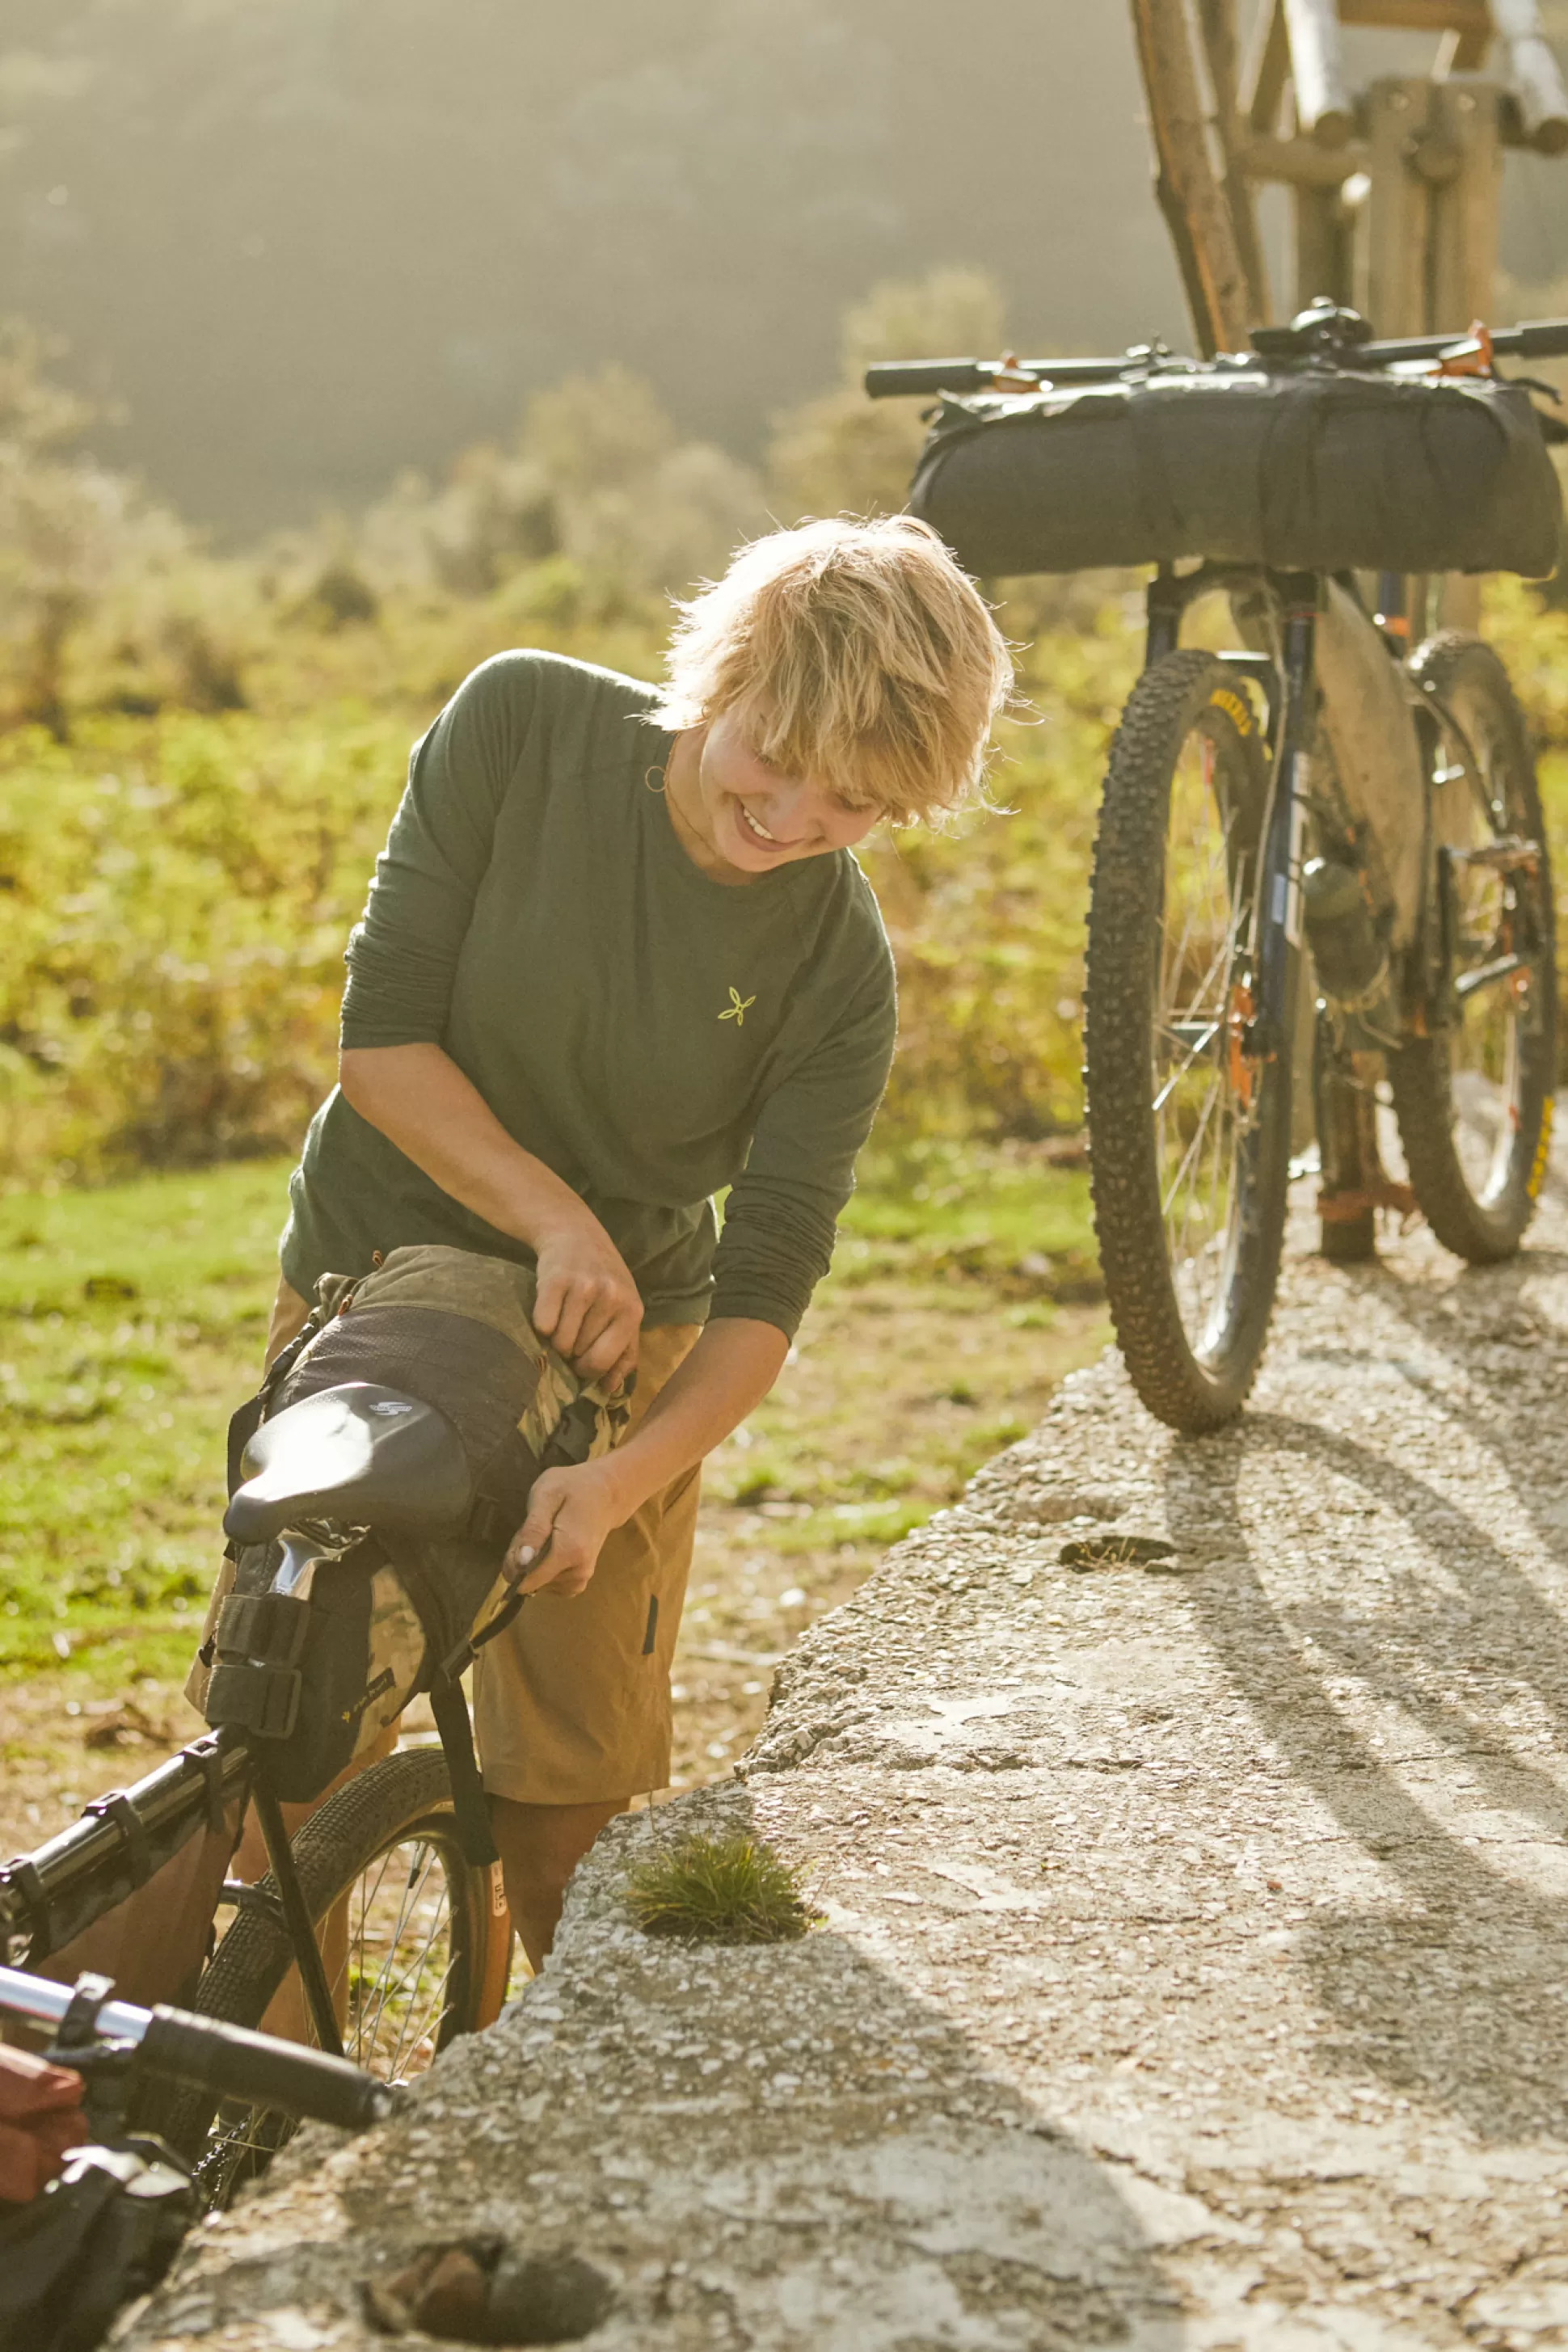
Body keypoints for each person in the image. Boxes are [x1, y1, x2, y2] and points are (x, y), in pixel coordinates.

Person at [230, 514, 1010, 1969]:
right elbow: (380, 1044)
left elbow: (765, 1291)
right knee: (283, 1770)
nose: (791, 818)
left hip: (622, 1357)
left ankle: (542, 2084)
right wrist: (557, 1220)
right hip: (381, 1270)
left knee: (570, 1828)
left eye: (853, 802)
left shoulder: (839, 968)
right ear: (723, 675)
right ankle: (239, 2095)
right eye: (775, 758)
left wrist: (613, 1483)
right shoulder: (520, 723)